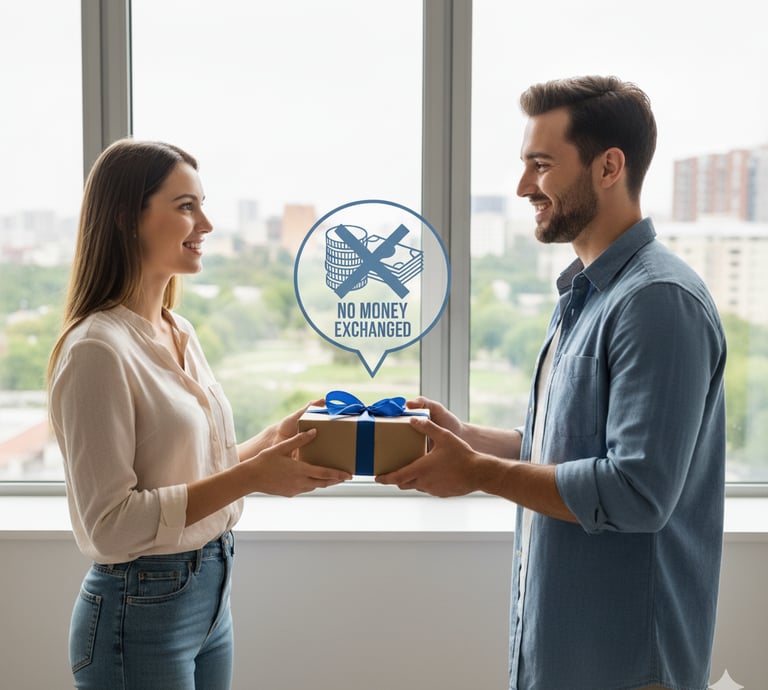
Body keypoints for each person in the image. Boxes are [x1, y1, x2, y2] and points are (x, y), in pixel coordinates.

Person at [377, 76, 726, 690]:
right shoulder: (586, 295)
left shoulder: (656, 301)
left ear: (609, 166)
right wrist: (474, 441)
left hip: (624, 667)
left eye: (541, 165)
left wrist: (480, 475)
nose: (522, 187)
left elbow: (637, 491)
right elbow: (576, 446)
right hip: (562, 653)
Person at [46, 138, 351, 690]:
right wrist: (252, 478)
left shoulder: (177, 330)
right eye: (186, 206)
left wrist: (274, 440)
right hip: (138, 610)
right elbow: (109, 526)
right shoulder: (96, 350)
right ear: (125, 217)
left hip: (211, 593)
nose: (206, 223)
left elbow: (194, 468)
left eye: (202, 204)